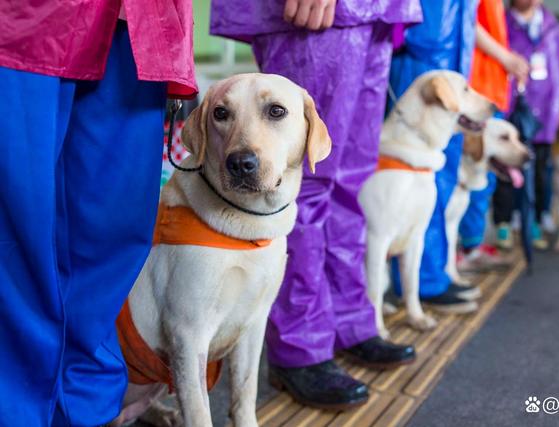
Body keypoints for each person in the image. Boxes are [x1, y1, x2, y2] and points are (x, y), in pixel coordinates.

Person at [210, 0, 422, 410]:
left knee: (351, 179)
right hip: (323, 12)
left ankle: (348, 319)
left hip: (376, 10)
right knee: (303, 178)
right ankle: (299, 345)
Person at [0, 3, 196, 426]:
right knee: (16, 232)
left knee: (112, 231)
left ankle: (85, 409)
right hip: (20, 20)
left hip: (135, 20)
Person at [389, 0, 482, 314]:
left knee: (438, 178)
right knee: (411, 177)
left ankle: (431, 274)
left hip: (450, 59)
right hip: (419, 58)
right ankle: (414, 281)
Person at [456, 0, 530, 272]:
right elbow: (464, 19)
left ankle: (470, 245)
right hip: (478, 92)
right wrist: (506, 57)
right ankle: (463, 248)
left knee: (481, 176)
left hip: (491, 93)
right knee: (468, 174)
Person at [506, 0, 559, 250]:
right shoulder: (505, 22)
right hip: (516, 102)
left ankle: (541, 213)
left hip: (547, 103)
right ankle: (515, 214)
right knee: (513, 165)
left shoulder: (551, 25)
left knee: (543, 165)